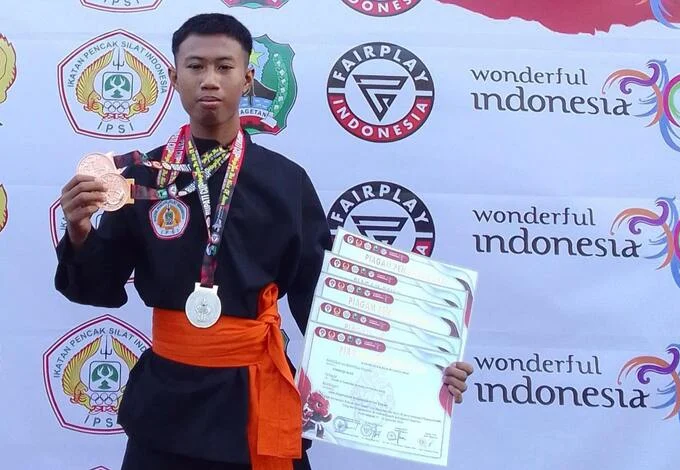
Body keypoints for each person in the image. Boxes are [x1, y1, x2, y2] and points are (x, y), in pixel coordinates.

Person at [55, 13, 474, 470]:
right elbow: (98, 287)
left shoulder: (286, 182)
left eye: (224, 66)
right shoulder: (140, 178)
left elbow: (327, 302)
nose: (209, 79)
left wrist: (423, 369)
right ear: (173, 78)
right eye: (195, 66)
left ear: (248, 78)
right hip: (166, 408)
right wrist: (79, 232)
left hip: (258, 400)